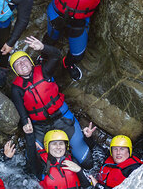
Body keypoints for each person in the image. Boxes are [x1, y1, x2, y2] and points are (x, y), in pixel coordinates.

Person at [10, 36, 94, 168]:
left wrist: (43, 47)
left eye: (24, 60)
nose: (22, 64)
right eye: (17, 64)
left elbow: (56, 56)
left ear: (31, 62)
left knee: (87, 162)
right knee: (35, 163)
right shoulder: (16, 88)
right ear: (15, 70)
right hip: (39, 126)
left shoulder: (44, 70)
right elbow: (21, 109)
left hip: (62, 117)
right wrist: (26, 123)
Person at [19, 127, 92, 189]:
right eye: (54, 144)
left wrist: (79, 170)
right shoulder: (42, 164)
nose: (58, 147)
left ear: (65, 146)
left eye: (61, 143)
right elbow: (31, 157)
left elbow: (88, 187)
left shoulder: (73, 161)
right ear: (47, 146)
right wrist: (29, 136)